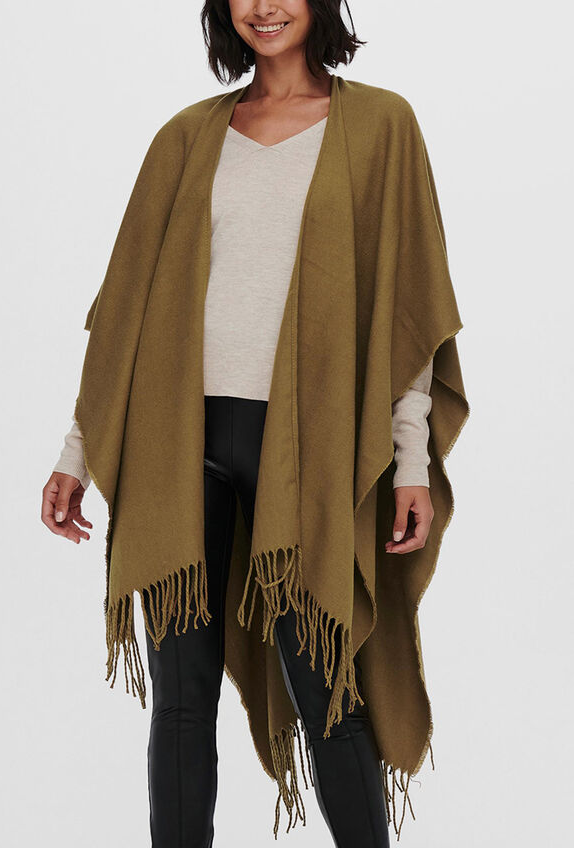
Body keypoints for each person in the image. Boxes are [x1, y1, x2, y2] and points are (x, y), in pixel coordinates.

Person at [41, 2, 469, 845]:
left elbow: (404, 310)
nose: (264, 7)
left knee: (329, 696)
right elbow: (125, 313)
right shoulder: (184, 138)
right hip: (177, 446)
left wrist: (411, 461)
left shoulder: (381, 126)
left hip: (309, 454)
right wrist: (76, 454)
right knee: (180, 703)